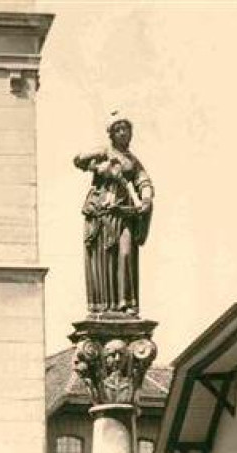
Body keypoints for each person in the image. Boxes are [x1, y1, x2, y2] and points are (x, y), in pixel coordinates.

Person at [74, 112, 154, 317]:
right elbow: (78, 160)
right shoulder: (104, 152)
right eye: (117, 129)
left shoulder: (133, 161)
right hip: (101, 213)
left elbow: (144, 182)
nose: (122, 132)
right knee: (104, 258)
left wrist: (146, 199)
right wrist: (99, 166)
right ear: (111, 133)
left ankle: (125, 303)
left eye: (125, 129)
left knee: (125, 254)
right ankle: (104, 305)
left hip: (123, 213)